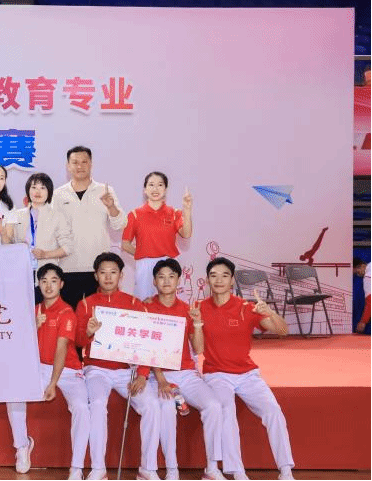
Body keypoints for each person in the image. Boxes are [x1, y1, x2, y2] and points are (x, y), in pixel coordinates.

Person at [198, 257, 294, 481]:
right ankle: (238, 472)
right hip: (216, 374)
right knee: (227, 412)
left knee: (274, 412)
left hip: (247, 374)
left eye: (224, 275)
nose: (219, 280)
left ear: (232, 280)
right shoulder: (199, 308)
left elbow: (283, 331)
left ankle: (286, 471)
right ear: (207, 280)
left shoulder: (246, 308)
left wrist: (269, 312)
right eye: (213, 275)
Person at [77, 252, 160, 481]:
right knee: (97, 404)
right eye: (103, 272)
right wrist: (88, 332)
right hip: (97, 369)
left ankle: (148, 468)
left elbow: (146, 342)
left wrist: (142, 374)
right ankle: (98, 469)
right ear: (96, 275)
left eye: (113, 272)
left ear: (121, 275)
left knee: (152, 405)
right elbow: (78, 342)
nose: (108, 277)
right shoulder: (86, 304)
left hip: (126, 370)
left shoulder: (134, 304)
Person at [5, 263, 89, 480]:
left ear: (61, 284)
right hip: (40, 368)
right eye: (44, 281)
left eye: (53, 281)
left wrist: (53, 383)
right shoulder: (34, 312)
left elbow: (61, 349)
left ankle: (77, 467)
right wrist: (33, 327)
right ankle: (22, 446)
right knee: (13, 393)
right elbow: (18, 346)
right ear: (38, 284)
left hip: (68, 371)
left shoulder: (67, 312)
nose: (49, 286)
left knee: (82, 407)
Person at [145, 259, 225, 481]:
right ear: (154, 281)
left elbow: (198, 349)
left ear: (178, 280)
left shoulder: (186, 309)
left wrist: (197, 324)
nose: (166, 281)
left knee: (214, 406)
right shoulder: (146, 308)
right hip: (158, 375)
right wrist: (161, 378)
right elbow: (146, 349)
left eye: (171, 276)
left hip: (187, 374)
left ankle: (212, 468)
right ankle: (172, 470)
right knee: (167, 408)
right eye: (161, 277)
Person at [54, 147, 127, 310]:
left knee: (98, 318)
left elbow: (120, 224)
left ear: (91, 164)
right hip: (67, 267)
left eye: (84, 162)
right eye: (75, 162)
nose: (79, 166)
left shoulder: (105, 191)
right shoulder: (58, 194)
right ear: (68, 165)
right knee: (71, 318)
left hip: (98, 270)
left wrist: (111, 207)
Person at [121, 172, 193, 301]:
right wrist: (144, 254)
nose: (155, 189)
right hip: (145, 266)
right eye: (151, 185)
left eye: (160, 185)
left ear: (165, 189)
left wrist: (187, 211)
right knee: (144, 303)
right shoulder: (134, 215)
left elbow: (186, 234)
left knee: (170, 304)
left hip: (169, 265)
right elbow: (125, 244)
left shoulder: (174, 213)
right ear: (145, 189)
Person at [3, 173, 73, 273]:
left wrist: (45, 254)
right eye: (34, 187)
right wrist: (4, 235)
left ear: (49, 191)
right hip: (21, 269)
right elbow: (10, 244)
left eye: (43, 188)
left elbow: (67, 248)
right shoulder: (18, 215)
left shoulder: (58, 216)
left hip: (46, 271)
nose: (38, 191)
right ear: (28, 190)